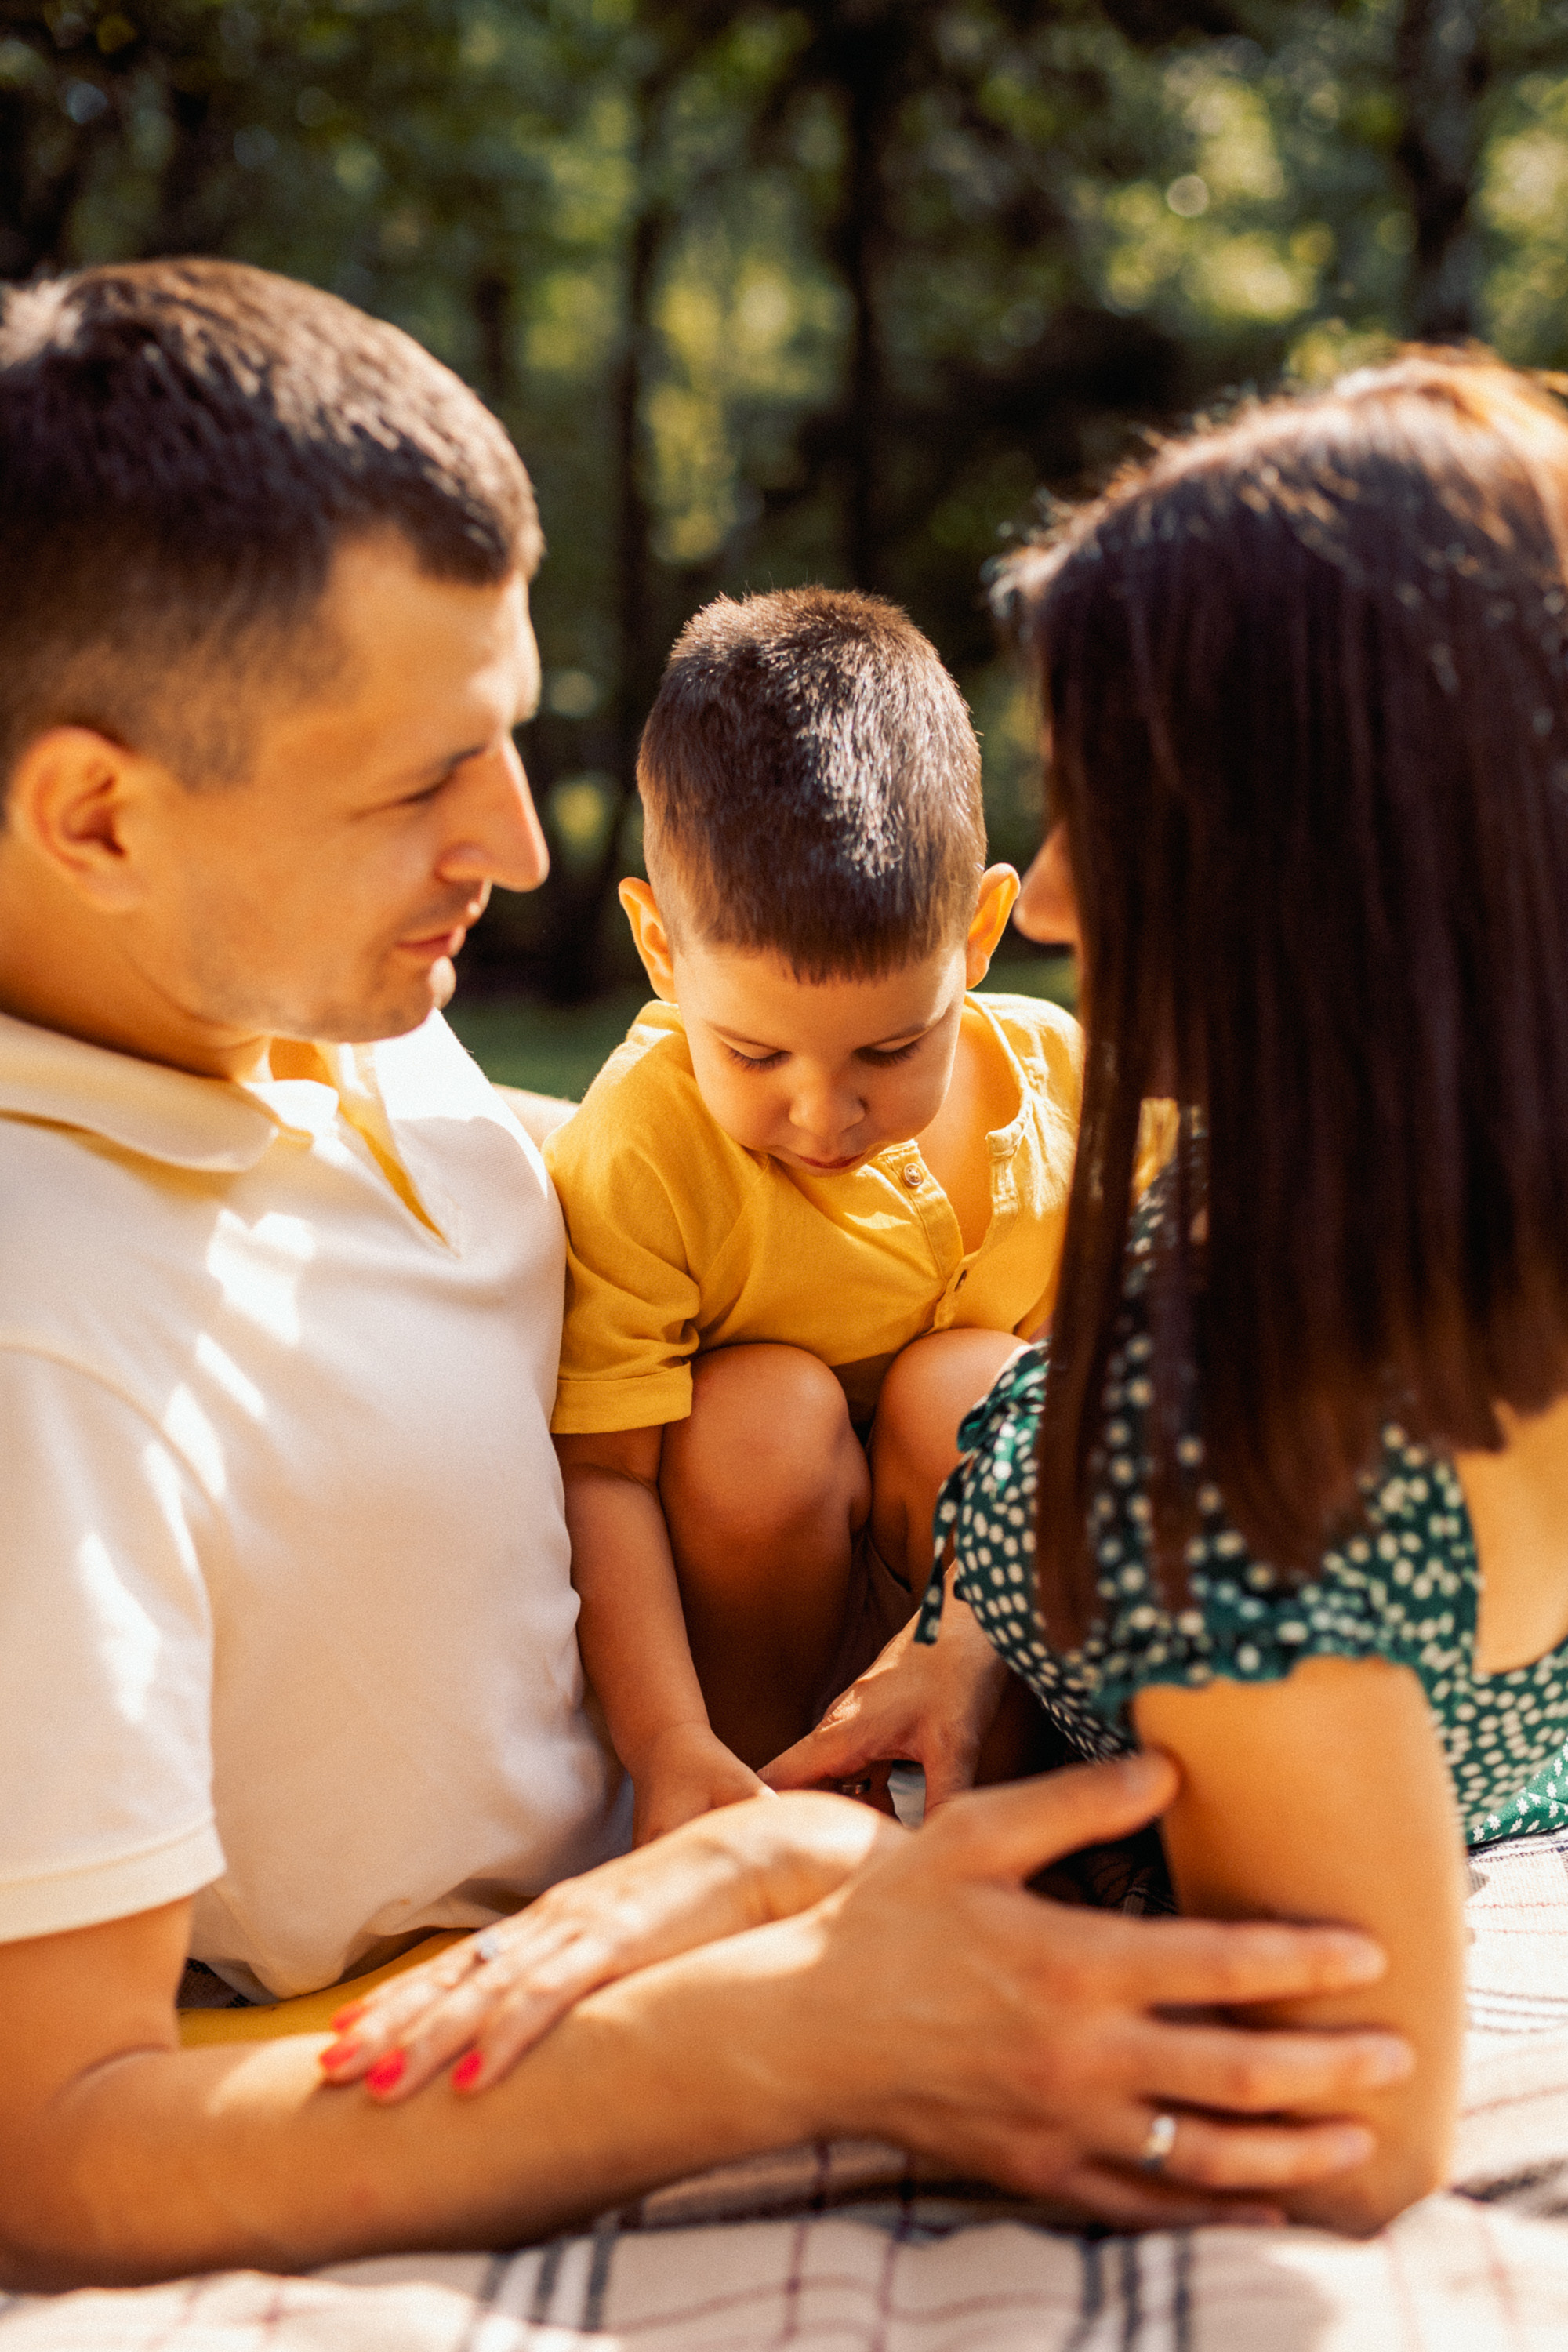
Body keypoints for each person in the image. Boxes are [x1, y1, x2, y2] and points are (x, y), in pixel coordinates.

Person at [0, 257, 1416, 2288]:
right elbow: (55, 2148)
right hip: (643, 1976)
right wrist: (784, 2026)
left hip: (852, 1791)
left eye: (504, 734)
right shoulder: (41, 1335)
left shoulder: (331, 1008)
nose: (521, 840)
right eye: (419, 783)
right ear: (99, 817)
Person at [771, 353, 1568, 2235]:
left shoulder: (1238, 1420)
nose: (1041, 898)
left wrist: (757, 1950)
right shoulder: (1375, 1159)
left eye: (1103, 807)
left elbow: (1334, 2127)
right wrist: (979, 1635)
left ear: (1321, 851)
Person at [543, 587, 1124, 1840]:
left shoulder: (1060, 1081)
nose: (822, 1116)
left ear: (976, 936)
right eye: (754, 1055)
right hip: (759, 1616)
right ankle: (761, 1793)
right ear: (658, 947)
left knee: (978, 1386)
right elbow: (604, 1476)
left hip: (976, 1629)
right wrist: (669, 1743)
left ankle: (991, 1789)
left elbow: (1118, 1393)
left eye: (888, 1050)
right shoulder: (647, 1146)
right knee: (759, 1413)